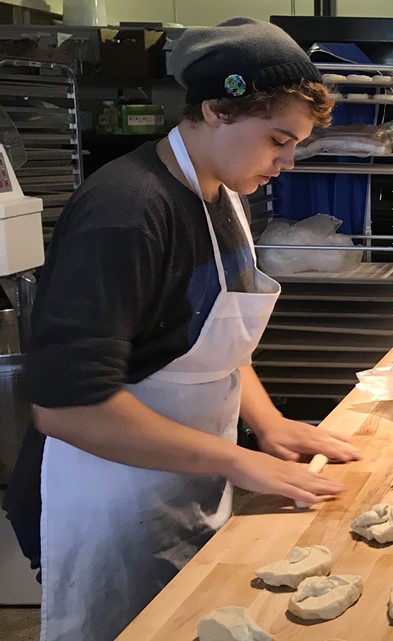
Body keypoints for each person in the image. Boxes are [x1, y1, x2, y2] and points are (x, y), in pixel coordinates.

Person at [0, 18, 361, 641]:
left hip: (184, 480)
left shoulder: (221, 192)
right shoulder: (127, 211)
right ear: (219, 108)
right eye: (278, 138)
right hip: (106, 499)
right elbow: (68, 411)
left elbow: (208, 343)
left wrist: (268, 424)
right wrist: (239, 461)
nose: (287, 161)